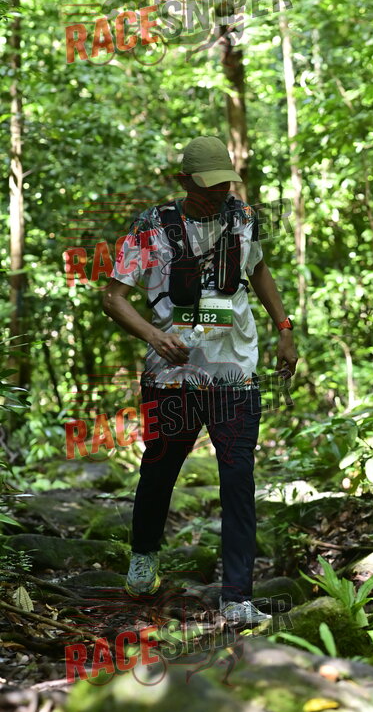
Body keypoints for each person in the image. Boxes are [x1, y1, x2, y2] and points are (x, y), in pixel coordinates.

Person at [103, 136, 298, 627]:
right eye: (208, 186)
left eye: (223, 185)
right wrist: (154, 335)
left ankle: (237, 596)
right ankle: (143, 559)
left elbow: (259, 271)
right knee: (159, 471)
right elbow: (113, 297)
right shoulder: (152, 226)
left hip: (235, 374)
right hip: (171, 377)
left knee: (238, 480)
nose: (218, 195)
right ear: (184, 181)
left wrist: (284, 329)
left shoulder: (243, 217)